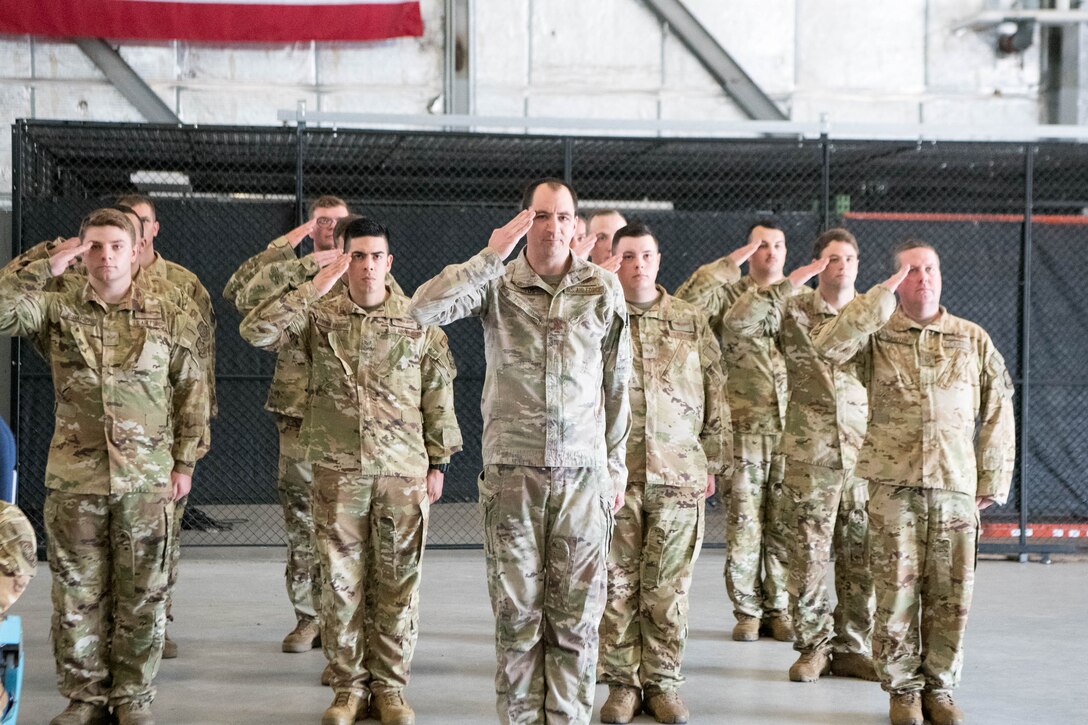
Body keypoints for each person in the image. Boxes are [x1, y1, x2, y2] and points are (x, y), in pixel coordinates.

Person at [409, 178, 631, 724]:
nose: (552, 228)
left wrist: (617, 467)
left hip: (583, 476)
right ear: (524, 221)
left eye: (562, 217)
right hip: (512, 474)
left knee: (577, 621)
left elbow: (618, 383)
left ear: (576, 225)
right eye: (541, 216)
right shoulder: (497, 284)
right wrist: (489, 255)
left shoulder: (602, 288)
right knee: (517, 619)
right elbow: (421, 309)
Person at [241, 216, 460, 725]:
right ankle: (347, 690)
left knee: (398, 585)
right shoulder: (318, 317)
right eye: (356, 256)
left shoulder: (417, 320)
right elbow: (255, 329)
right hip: (337, 474)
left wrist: (439, 460)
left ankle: (390, 690)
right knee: (339, 586)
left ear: (389, 262)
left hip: (402, 473)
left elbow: (438, 395)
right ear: (345, 260)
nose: (366, 266)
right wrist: (313, 287)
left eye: (374, 256)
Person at [0, 208, 209, 725]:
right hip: (77, 479)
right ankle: (86, 699)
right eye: (93, 246)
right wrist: (43, 264)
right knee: (77, 596)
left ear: (136, 250)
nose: (105, 256)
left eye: (116, 245)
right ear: (81, 251)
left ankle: (134, 699)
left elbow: (193, 392)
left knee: (143, 595)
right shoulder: (57, 309)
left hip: (148, 482)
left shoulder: (171, 313)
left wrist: (185, 463)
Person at [812, 241, 1015, 725]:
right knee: (896, 592)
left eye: (930, 269)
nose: (922, 277)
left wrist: (991, 477)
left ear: (941, 276)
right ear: (896, 281)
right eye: (910, 271)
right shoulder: (876, 337)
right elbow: (829, 345)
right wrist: (879, 297)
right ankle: (903, 691)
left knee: (952, 593)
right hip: (892, 484)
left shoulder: (971, 338)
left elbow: (997, 410)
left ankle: (940, 689)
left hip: (954, 485)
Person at [724, 228, 877, 682]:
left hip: (863, 452)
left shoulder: (872, 314)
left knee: (860, 556)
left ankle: (852, 646)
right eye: (832, 258)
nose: (842, 266)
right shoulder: (793, 309)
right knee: (808, 556)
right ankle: (813, 647)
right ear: (817, 264)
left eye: (849, 257)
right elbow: (739, 322)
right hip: (810, 454)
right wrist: (791, 281)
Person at [597, 222, 729, 724]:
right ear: (614, 260)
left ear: (658, 259)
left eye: (645, 255)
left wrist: (713, 460)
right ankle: (622, 685)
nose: (637, 264)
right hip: (616, 476)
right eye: (627, 255)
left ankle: (664, 683)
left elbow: (715, 390)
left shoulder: (690, 320)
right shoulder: (600, 318)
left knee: (668, 588)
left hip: (678, 474)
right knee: (618, 585)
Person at [224, 195, 350, 654]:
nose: (331, 229)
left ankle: (344, 621)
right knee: (302, 523)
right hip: (298, 419)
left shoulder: (365, 276)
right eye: (322, 222)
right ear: (312, 227)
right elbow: (240, 292)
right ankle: (307, 619)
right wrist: (299, 258)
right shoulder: (293, 279)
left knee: (345, 528)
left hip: (347, 423)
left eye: (340, 222)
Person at [675, 220, 795, 642]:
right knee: (744, 524)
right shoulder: (727, 294)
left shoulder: (799, 296)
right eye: (762, 245)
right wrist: (724, 268)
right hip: (742, 429)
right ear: (748, 250)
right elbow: (685, 303)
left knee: (782, 524)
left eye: (778, 245)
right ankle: (747, 610)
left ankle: (778, 607)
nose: (771, 253)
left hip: (789, 431)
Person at [116, 194, 216, 660]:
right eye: (126, 222)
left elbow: (199, 361)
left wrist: (193, 437)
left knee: (161, 535)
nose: (135, 229)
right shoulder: (92, 279)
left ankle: (157, 619)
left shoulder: (181, 284)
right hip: (106, 437)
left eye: (142, 221)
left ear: (153, 229)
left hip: (165, 434)